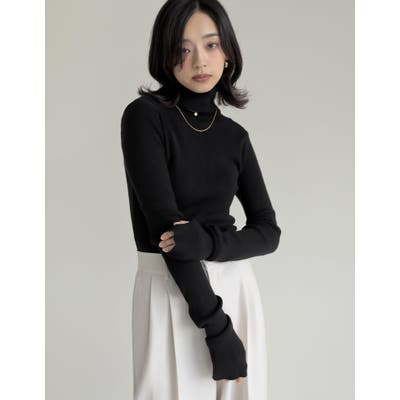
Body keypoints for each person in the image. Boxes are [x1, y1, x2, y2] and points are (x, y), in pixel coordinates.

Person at [120, 0, 281, 398]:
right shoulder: (144, 117)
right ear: (165, 55)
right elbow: (168, 234)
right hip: (171, 288)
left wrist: (208, 243)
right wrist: (218, 329)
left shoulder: (235, 137)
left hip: (236, 287)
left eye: (210, 45)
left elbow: (268, 232)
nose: (199, 61)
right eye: (183, 48)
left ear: (227, 52)